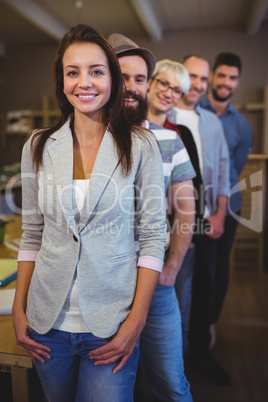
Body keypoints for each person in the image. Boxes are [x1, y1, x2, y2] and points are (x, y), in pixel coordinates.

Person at [12, 24, 167, 402]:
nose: (85, 82)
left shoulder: (141, 145)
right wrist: (19, 309)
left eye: (96, 71)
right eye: (73, 72)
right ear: (62, 81)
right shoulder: (38, 145)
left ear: (112, 79)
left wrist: (137, 321)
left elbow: (153, 237)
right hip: (47, 324)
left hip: (110, 324)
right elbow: (32, 233)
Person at [108, 33, 195, 402]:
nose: (131, 87)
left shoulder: (168, 140)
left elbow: (187, 207)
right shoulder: (87, 141)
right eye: (123, 77)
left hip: (157, 287)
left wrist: (173, 263)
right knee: (115, 388)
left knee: (171, 384)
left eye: (140, 79)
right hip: (105, 290)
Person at [168, 55, 231, 386]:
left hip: (208, 217)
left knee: (206, 288)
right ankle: (170, 366)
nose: (199, 84)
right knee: (179, 294)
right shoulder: (167, 114)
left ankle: (199, 357)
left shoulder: (211, 121)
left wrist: (220, 213)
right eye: (193, 76)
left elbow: (221, 169)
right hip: (178, 220)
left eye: (204, 79)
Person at [199, 52, 252, 329]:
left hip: (228, 206)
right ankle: (193, 326)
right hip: (195, 205)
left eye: (232, 78)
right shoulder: (194, 110)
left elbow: (236, 167)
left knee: (218, 270)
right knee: (199, 270)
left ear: (237, 81)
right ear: (212, 77)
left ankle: (209, 324)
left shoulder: (242, 126)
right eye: (221, 75)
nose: (226, 83)